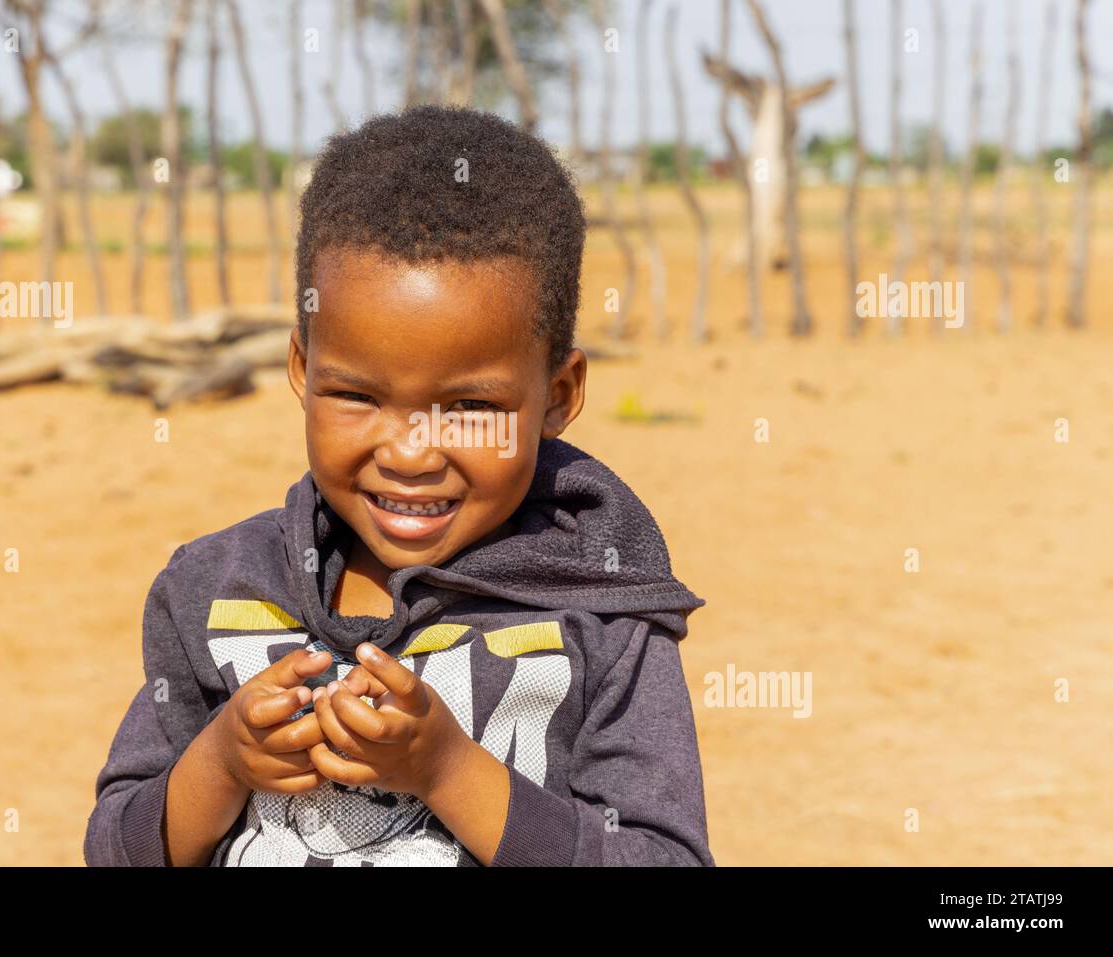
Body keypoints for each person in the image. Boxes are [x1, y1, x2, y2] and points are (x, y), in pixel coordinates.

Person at [84, 105, 713, 867]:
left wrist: (449, 770)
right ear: (301, 369)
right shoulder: (216, 590)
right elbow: (115, 850)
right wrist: (221, 762)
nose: (412, 453)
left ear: (557, 393)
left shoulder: (603, 612)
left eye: (471, 408)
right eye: (358, 396)